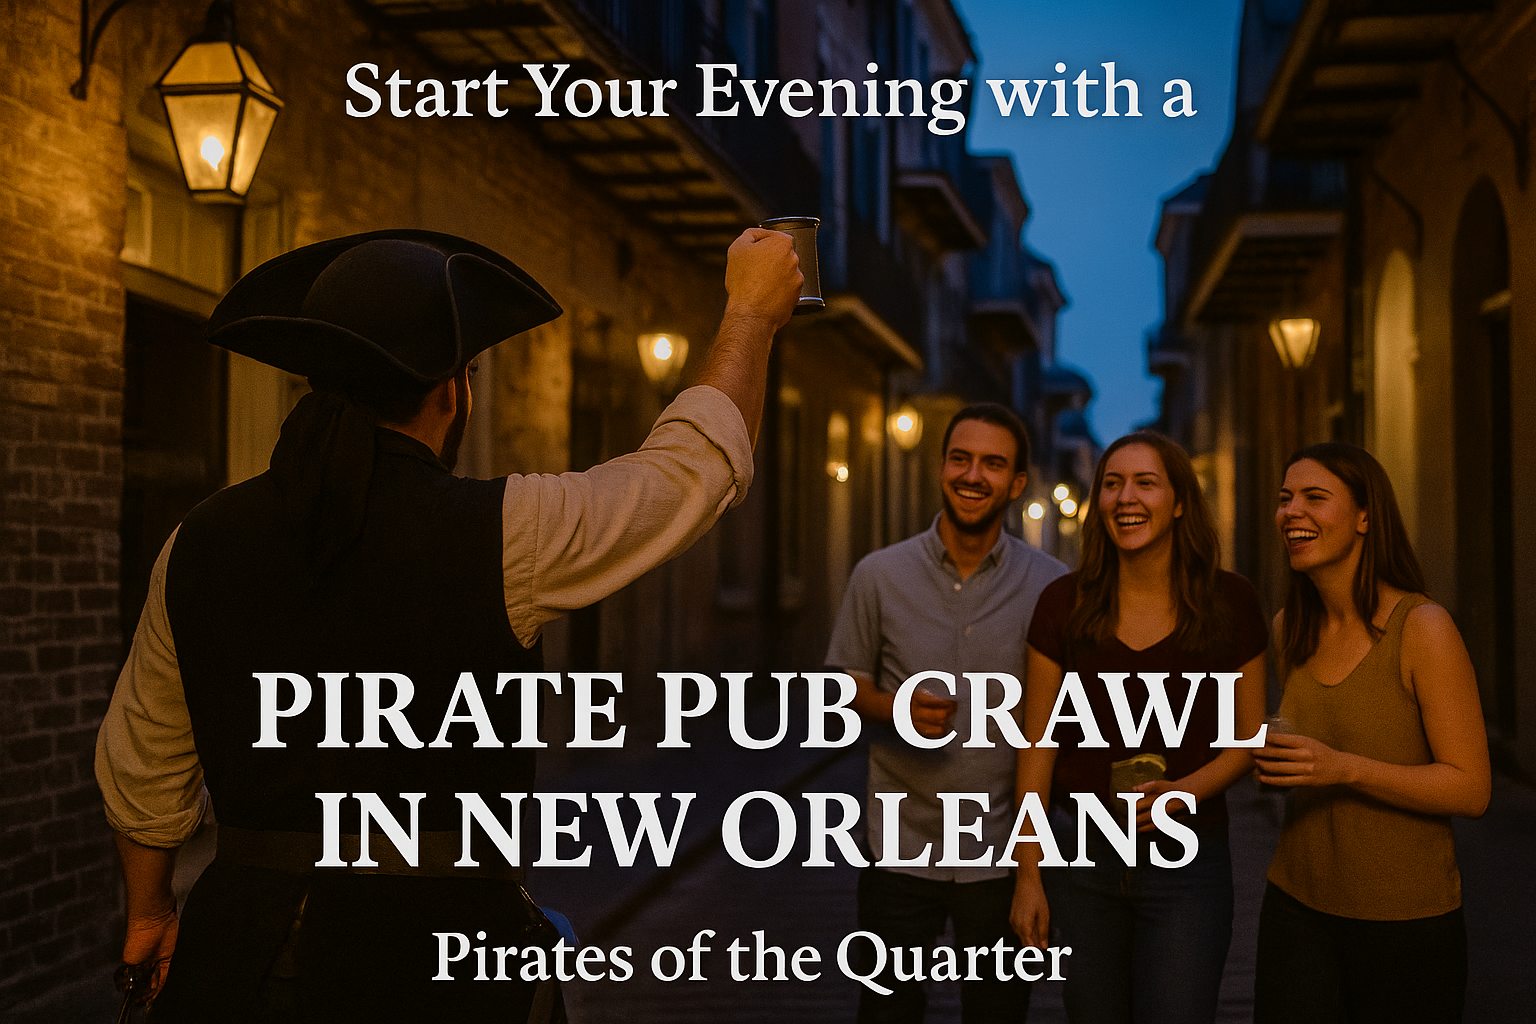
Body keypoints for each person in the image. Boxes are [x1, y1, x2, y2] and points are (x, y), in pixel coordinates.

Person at [93, 226, 803, 1022]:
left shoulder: (197, 540)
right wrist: (749, 314)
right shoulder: (507, 531)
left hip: (239, 962)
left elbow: (145, 769)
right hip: (439, 971)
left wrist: (151, 912)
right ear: (452, 389)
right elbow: (689, 472)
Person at [1011, 432, 1267, 1024]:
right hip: (1080, 853)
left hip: (1189, 859)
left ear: (1179, 502)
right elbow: (1038, 744)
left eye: (1146, 483)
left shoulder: (1232, 601)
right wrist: (1028, 876)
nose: (1126, 498)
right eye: (1112, 483)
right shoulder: (1062, 603)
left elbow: (1249, 739)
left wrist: (1185, 791)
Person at [826, 403, 1067, 1024]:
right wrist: (891, 704)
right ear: (941, 468)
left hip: (1001, 852)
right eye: (961, 458)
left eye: (993, 464)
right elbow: (840, 687)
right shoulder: (878, 575)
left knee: (997, 1012)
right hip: (899, 844)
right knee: (886, 1013)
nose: (973, 475)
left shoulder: (1053, 586)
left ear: (1016, 484)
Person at [1254, 442, 1491, 1024]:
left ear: (1365, 517)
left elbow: (1471, 789)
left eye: (1315, 497)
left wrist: (1343, 767)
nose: (1291, 513)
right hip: (1295, 907)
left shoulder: (1422, 628)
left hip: (1404, 921)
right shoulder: (1291, 629)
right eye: (1285, 500)